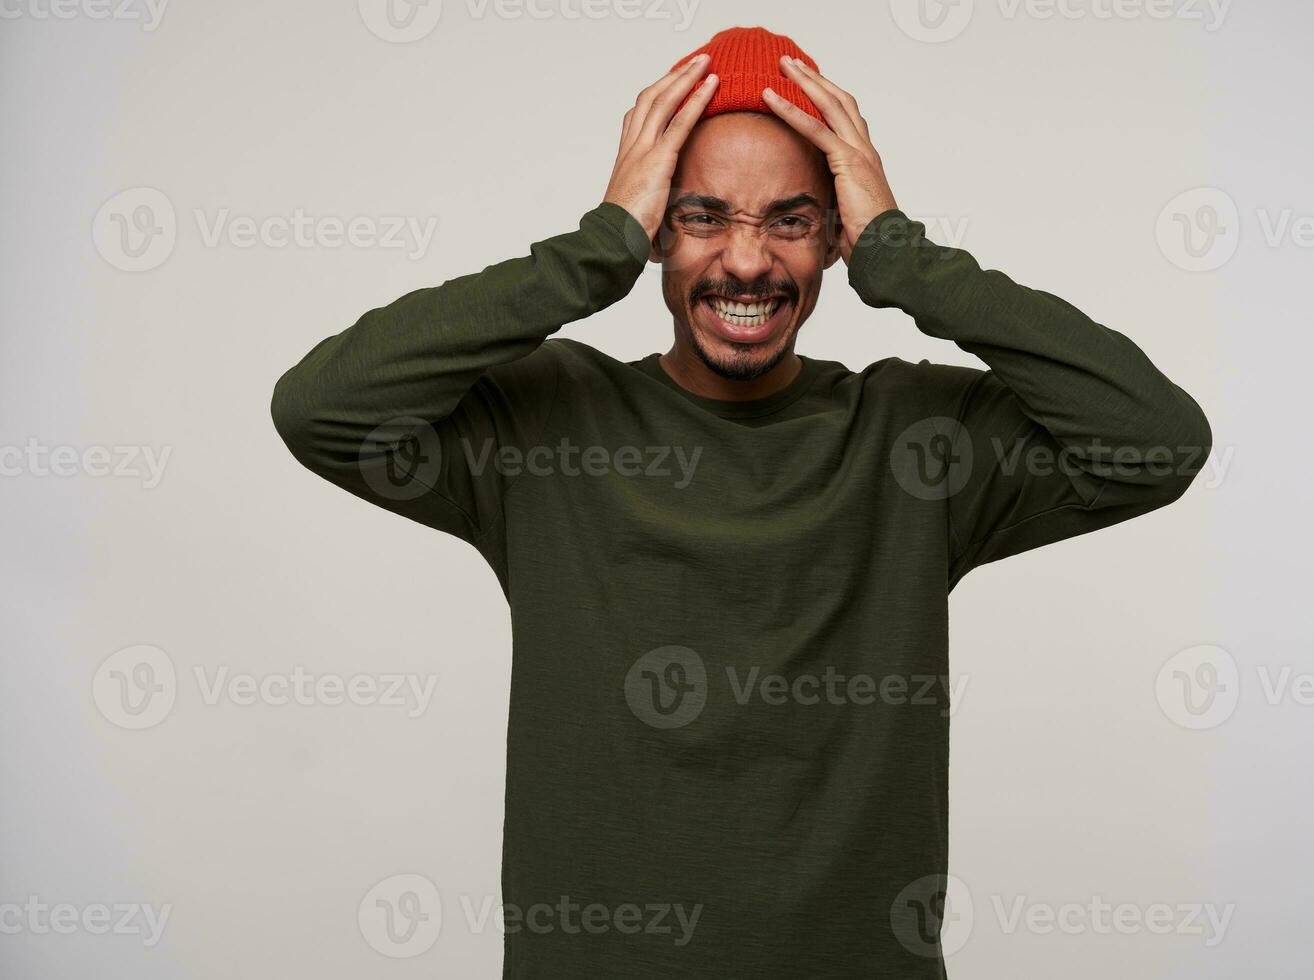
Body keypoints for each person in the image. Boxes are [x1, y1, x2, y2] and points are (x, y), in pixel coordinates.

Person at [271, 25, 1212, 979]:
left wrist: (907, 257)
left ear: (838, 235)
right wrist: (590, 251)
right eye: (704, 216)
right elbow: (322, 410)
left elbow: (1158, 441)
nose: (749, 262)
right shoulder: (546, 427)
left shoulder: (915, 441)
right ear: (654, 230)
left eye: (791, 220)